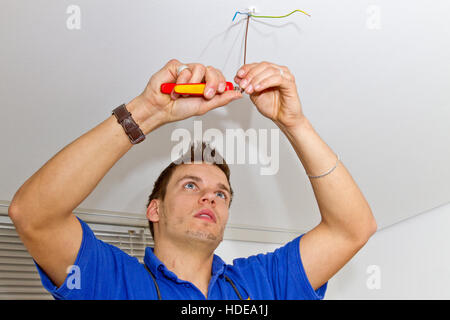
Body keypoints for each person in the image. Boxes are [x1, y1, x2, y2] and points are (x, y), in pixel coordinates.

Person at [8, 59, 377, 300]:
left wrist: (293, 123)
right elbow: (34, 215)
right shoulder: (112, 282)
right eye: (190, 185)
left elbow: (352, 229)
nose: (210, 199)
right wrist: (148, 113)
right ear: (155, 209)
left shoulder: (260, 284)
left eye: (222, 194)